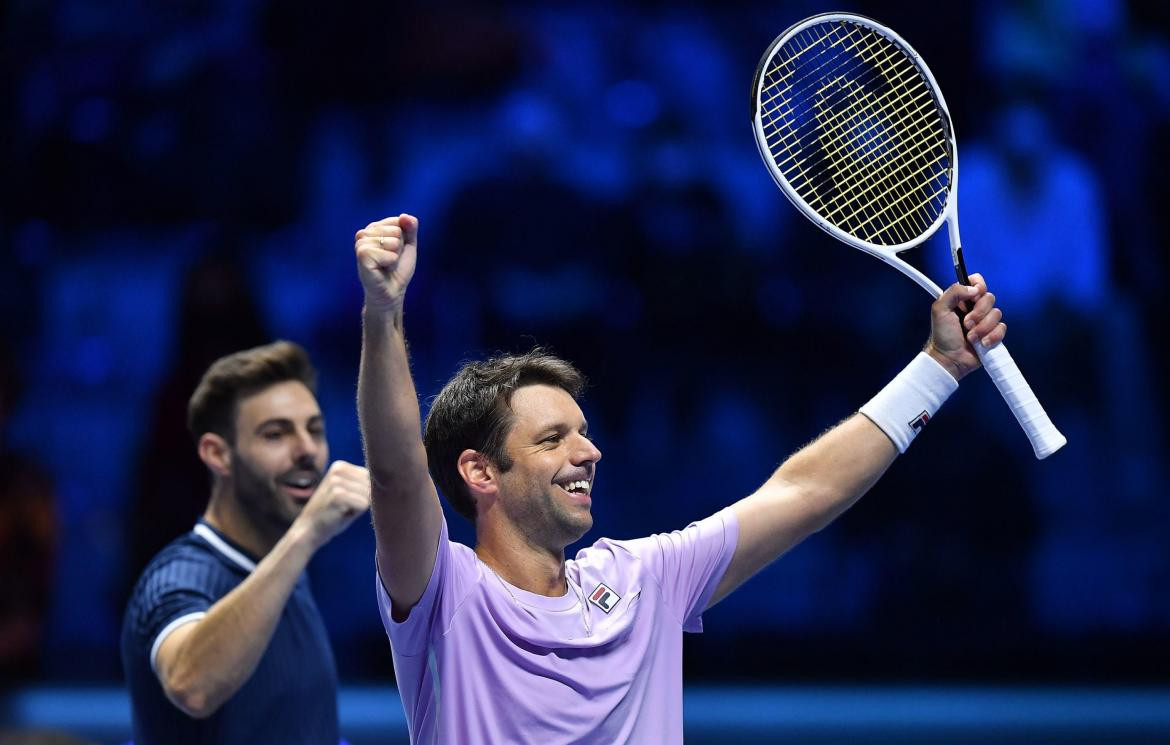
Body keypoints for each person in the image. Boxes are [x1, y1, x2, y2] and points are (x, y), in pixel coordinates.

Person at [355, 214, 1007, 744]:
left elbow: (805, 492)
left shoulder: (643, 580)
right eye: (554, 438)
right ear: (479, 471)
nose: (590, 453)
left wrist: (940, 365)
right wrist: (383, 314)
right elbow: (395, 473)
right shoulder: (447, 593)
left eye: (583, 431)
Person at [121, 341, 370, 745]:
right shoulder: (177, 577)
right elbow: (192, 686)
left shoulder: (286, 572)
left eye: (315, 430)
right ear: (218, 454)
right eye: (276, 434)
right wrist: (304, 535)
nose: (307, 450)